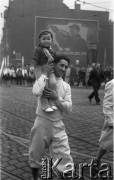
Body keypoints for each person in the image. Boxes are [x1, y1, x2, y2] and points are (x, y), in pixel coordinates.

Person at [29, 54, 74, 180]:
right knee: (36, 152)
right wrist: (44, 74)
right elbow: (35, 91)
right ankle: (35, 177)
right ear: (54, 65)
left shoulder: (66, 86)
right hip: (42, 122)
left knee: (64, 154)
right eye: (61, 65)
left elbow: (68, 108)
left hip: (58, 124)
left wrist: (56, 98)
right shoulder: (44, 80)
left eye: (66, 67)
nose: (64, 69)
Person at [32, 30, 57, 112]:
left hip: (50, 68)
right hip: (40, 68)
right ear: (40, 40)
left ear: (52, 40)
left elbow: (55, 61)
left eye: (48, 39)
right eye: (44, 39)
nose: (46, 40)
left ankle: (51, 102)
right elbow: (35, 59)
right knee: (44, 86)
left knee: (53, 83)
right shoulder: (38, 50)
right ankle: (45, 105)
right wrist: (33, 66)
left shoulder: (53, 51)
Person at [93, 78, 114, 171]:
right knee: (107, 142)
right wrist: (110, 121)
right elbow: (107, 104)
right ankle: (96, 160)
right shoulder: (112, 84)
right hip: (113, 118)